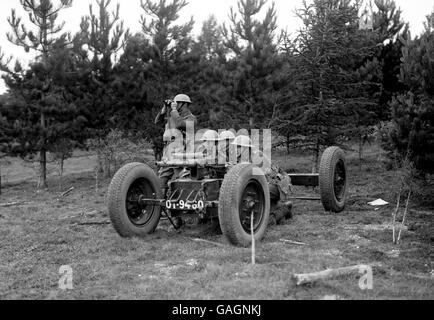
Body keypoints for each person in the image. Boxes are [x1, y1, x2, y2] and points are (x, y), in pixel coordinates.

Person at [231, 135, 293, 224]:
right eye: (235, 147)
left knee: (267, 220)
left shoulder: (258, 157)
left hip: (276, 184)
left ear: (246, 148)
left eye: (238, 147)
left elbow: (267, 177)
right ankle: (277, 206)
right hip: (263, 184)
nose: (236, 149)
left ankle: (285, 209)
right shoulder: (240, 158)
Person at [155, 94, 197, 193]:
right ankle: (159, 204)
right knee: (161, 180)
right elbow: (157, 122)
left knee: (182, 178)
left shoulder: (191, 118)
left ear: (184, 104)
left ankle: (185, 201)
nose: (175, 105)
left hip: (182, 153)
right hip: (168, 153)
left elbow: (179, 124)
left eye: (177, 103)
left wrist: (173, 111)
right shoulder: (173, 116)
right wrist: (164, 110)